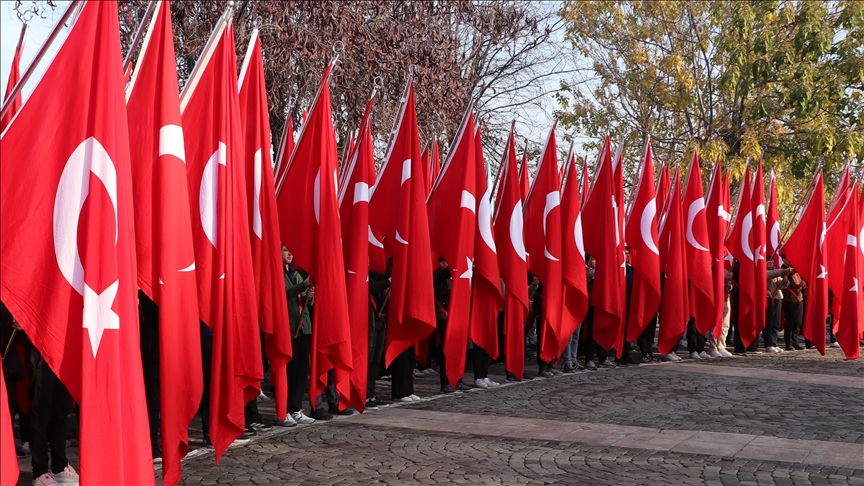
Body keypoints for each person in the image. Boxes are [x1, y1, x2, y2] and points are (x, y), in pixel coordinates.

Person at [15, 314, 79, 486]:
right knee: (40, 411)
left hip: (61, 344)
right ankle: (40, 471)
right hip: (38, 343)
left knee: (60, 409)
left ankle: (60, 465)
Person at [284, 246, 315, 425]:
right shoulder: (281, 275)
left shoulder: (296, 275)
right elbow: (283, 295)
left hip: (304, 328)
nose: (290, 253)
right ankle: (287, 408)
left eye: (291, 251)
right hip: (290, 329)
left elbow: (307, 303)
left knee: (303, 370)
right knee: (291, 372)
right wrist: (303, 286)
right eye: (285, 250)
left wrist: (310, 296)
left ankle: (296, 408)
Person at [138, 291, 162, 461]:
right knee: (148, 402)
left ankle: (154, 444)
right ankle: (149, 444)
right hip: (145, 352)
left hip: (156, 352)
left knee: (154, 402)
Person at [366, 260, 392, 409]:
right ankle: (364, 394)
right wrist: (388, 281)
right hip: (368, 324)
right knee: (367, 361)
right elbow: (368, 289)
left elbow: (383, 278)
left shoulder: (373, 275)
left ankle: (372, 394)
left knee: (375, 361)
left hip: (380, 322)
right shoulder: (355, 275)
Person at [781, 256, 804, 350]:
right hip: (790, 299)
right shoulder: (783, 269)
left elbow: (797, 278)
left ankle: (795, 341)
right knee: (790, 321)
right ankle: (788, 343)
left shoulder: (795, 270)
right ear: (784, 260)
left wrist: (802, 283)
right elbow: (789, 274)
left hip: (799, 298)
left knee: (798, 322)